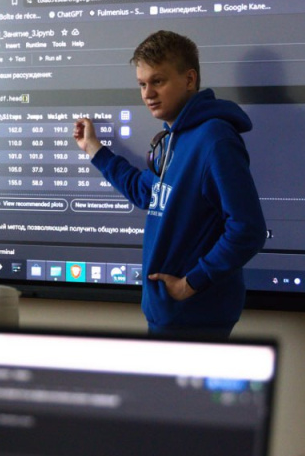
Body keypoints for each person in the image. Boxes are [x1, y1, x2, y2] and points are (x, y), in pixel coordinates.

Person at [73, 30, 267, 337]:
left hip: (196, 319)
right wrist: (94, 148)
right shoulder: (174, 138)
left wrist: (192, 282)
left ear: (189, 80)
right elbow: (146, 192)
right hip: (168, 315)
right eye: (142, 84)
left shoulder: (214, 139)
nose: (148, 93)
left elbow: (248, 229)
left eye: (158, 81)